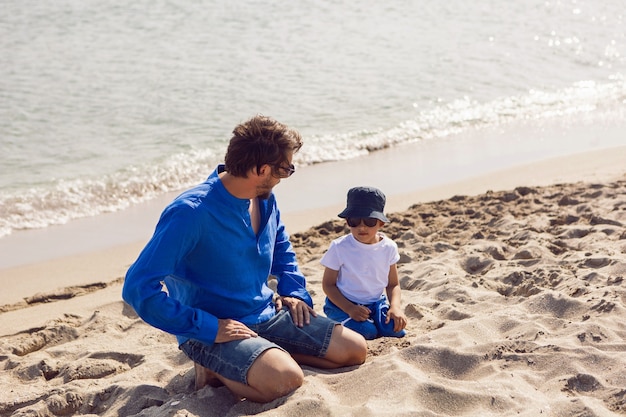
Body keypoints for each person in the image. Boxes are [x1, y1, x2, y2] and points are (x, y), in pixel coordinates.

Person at [122, 115, 367, 403]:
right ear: (261, 169)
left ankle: (265, 354)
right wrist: (209, 327)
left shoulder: (264, 198)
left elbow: (280, 246)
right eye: (286, 169)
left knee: (354, 349)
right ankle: (216, 367)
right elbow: (138, 288)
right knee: (286, 379)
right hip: (213, 330)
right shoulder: (191, 213)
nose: (285, 176)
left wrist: (293, 291)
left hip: (266, 312)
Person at [321, 186, 408, 340]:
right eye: (354, 221)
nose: (362, 227)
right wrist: (349, 308)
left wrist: (395, 307)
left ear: (381, 223)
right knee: (367, 332)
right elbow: (328, 285)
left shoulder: (388, 247)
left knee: (395, 330)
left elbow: (393, 284)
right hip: (342, 304)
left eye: (369, 221)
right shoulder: (339, 247)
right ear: (347, 221)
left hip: (375, 303)